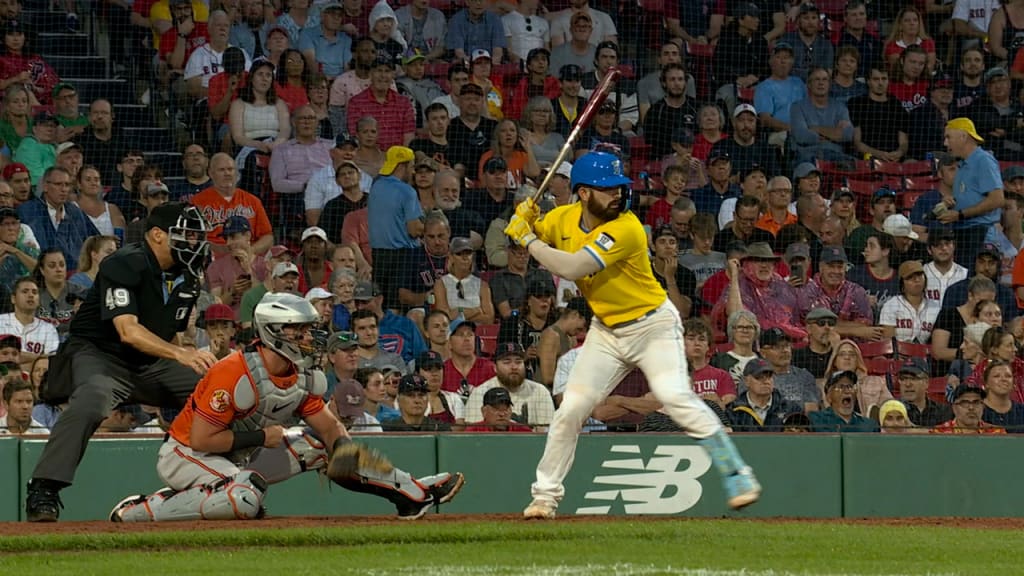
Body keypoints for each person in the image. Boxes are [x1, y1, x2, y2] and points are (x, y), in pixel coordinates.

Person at [504, 151, 760, 519]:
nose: (618, 195)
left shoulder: (626, 228)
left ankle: (738, 473)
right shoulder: (562, 218)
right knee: (571, 409)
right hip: (606, 332)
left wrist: (527, 239)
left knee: (674, 396)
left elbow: (572, 264)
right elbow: (536, 227)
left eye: (619, 188)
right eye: (607, 189)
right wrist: (524, 217)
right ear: (583, 193)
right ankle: (544, 497)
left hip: (652, 325)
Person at [109, 292, 464, 521]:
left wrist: (340, 448)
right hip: (185, 455)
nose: (309, 337)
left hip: (240, 457)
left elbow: (328, 428)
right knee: (244, 498)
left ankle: (412, 494)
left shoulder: (302, 374)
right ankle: (142, 511)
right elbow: (201, 439)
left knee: (325, 449)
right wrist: (263, 436)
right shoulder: (233, 371)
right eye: (300, 330)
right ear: (275, 331)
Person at [24, 203, 214, 522]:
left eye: (197, 236)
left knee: (214, 389)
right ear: (157, 235)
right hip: (100, 354)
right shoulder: (125, 263)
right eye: (186, 235)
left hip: (151, 361)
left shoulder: (190, 274)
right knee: (92, 402)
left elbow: (173, 335)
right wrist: (181, 355)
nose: (194, 243)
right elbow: (128, 331)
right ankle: (44, 486)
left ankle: (221, 478)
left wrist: (188, 367)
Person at [941, 118, 1005, 265]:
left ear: (963, 137)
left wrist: (961, 214)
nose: (945, 143)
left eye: (948, 137)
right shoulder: (962, 165)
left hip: (980, 233)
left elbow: (997, 199)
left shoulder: (983, 160)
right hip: (964, 233)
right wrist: (951, 204)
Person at [808, 370, 880, 432]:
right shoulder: (816, 420)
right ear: (829, 397)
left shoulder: (869, 425)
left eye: (850, 386)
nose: (847, 391)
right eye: (841, 387)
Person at [897, 357, 952, 427]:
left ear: (926, 382)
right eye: (903, 378)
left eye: (914, 378)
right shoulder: (893, 411)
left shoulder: (943, 411)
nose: (907, 384)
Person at [932, 385, 1006, 434]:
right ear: (954, 408)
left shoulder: (996, 432)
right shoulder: (939, 433)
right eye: (965, 403)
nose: (971, 408)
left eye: (976, 402)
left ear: (983, 406)